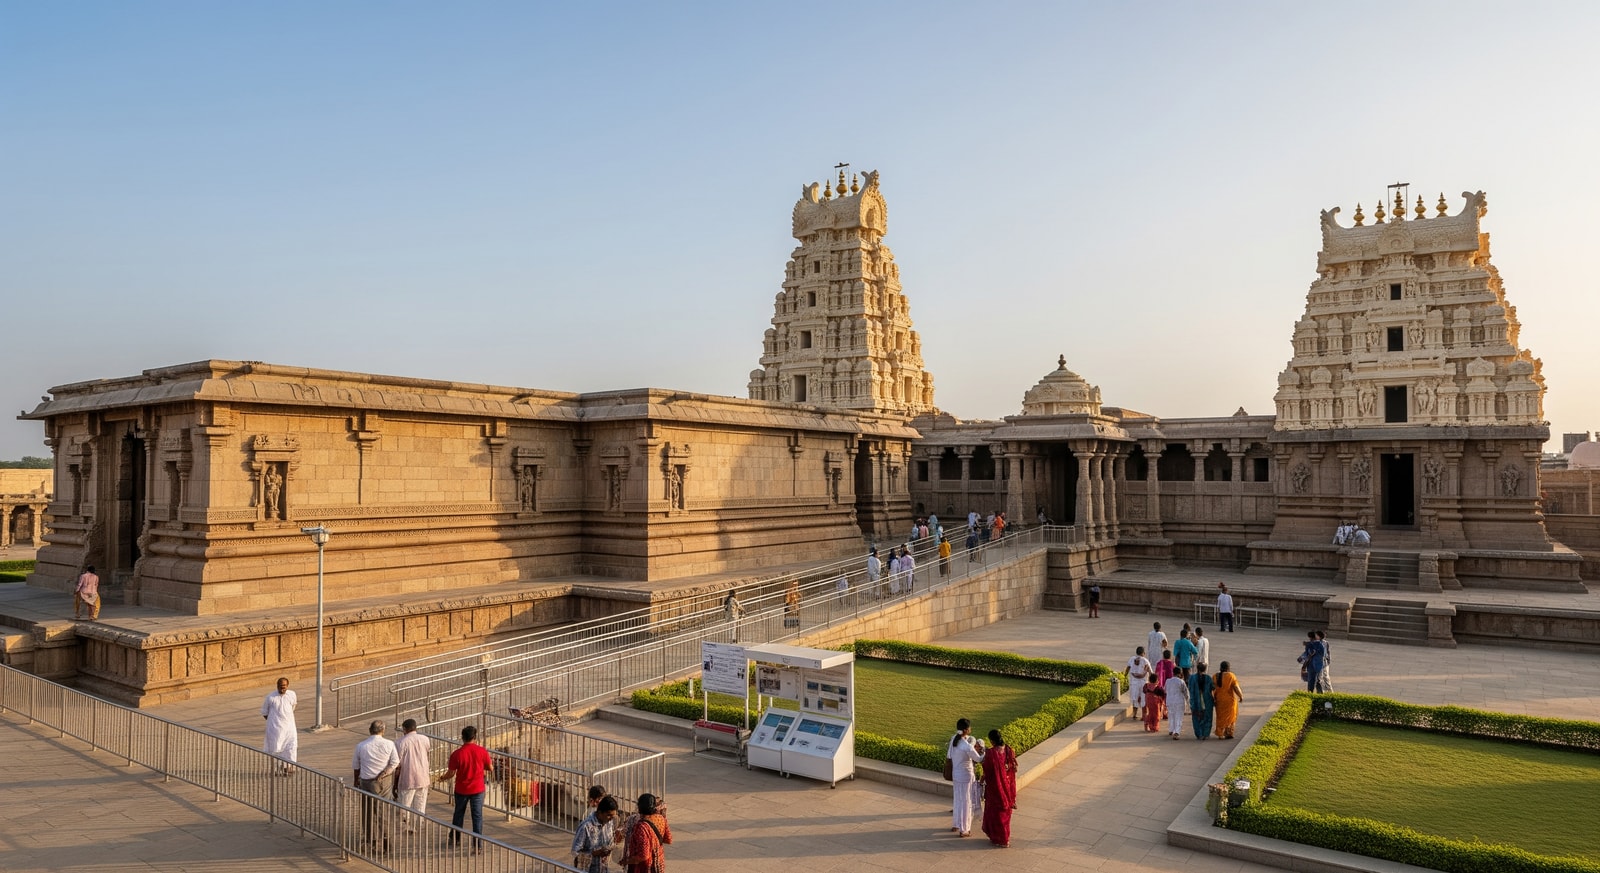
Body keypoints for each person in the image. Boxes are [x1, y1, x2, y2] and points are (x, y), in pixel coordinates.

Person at [438, 724, 495, 853]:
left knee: (458, 814)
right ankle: (477, 845)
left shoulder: (457, 754)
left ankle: (456, 838)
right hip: (478, 789)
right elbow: (490, 768)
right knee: (477, 816)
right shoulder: (482, 751)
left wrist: (442, 778)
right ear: (475, 737)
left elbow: (451, 773)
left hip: (461, 789)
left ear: (462, 738)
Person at [352, 719, 401, 852]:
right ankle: (387, 843)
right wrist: (385, 773)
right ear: (383, 731)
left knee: (368, 812)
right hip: (383, 782)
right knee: (383, 812)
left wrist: (356, 781)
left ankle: (371, 841)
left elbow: (356, 766)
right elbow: (395, 762)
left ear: (370, 731)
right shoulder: (389, 744)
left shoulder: (361, 746)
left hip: (366, 782)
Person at [946, 718, 985, 837]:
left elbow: (949, 755)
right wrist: (985, 752)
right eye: (969, 727)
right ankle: (964, 829)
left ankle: (956, 824)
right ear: (966, 730)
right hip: (966, 776)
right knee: (967, 801)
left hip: (956, 774)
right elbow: (979, 759)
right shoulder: (966, 746)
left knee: (958, 799)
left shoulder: (954, 740)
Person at [979, 729, 1018, 848]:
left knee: (995, 813)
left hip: (995, 787)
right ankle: (1005, 838)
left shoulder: (991, 753)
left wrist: (983, 779)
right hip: (1008, 785)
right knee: (1005, 813)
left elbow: (988, 770)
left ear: (992, 741)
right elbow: (1013, 767)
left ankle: (1000, 839)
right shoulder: (1009, 750)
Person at [394, 718, 432, 832]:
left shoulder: (400, 742)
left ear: (404, 729)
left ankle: (406, 826)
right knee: (420, 803)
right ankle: (418, 825)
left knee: (405, 803)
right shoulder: (425, 739)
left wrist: (395, 782)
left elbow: (398, 763)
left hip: (408, 777)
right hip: (423, 776)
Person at [623, 793, 671, 873]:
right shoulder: (661, 818)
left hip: (646, 868)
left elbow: (643, 856)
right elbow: (668, 839)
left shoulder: (641, 827)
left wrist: (626, 861)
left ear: (639, 807)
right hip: (659, 864)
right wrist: (654, 842)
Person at [260, 676, 298, 775]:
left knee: (291, 747)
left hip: (289, 727)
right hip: (275, 729)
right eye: (280, 686)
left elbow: (293, 706)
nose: (282, 688)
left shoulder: (292, 694)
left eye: (284, 686)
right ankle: (277, 768)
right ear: (277, 686)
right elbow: (264, 712)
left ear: (287, 686)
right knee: (276, 748)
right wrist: (273, 721)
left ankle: (289, 767)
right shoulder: (270, 697)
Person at [572, 794, 620, 873]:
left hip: (603, 869)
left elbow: (610, 842)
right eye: (609, 815)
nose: (611, 819)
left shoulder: (609, 823)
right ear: (600, 812)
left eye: (613, 816)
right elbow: (575, 852)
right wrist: (594, 854)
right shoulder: (586, 827)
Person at [1213, 661, 1244, 739]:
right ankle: (1228, 732)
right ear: (1228, 668)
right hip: (1230, 701)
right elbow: (1236, 687)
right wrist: (1240, 696)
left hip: (1219, 700)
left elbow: (1212, 689)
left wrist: (1213, 698)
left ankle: (1220, 733)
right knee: (1230, 717)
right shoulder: (1231, 675)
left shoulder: (1215, 676)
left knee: (1220, 717)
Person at [1187, 666, 1215, 740]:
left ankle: (1199, 734)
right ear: (1205, 669)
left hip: (1195, 701)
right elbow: (1212, 688)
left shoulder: (1192, 678)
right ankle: (1206, 734)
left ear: (1197, 669)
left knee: (1196, 718)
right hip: (1207, 701)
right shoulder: (1208, 678)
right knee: (1208, 717)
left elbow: (1189, 688)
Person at [1125, 646, 1153, 718]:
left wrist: (1124, 676)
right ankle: (1144, 715)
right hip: (1143, 683)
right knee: (1143, 698)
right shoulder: (1145, 660)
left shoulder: (1132, 659)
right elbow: (1150, 672)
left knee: (1135, 698)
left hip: (1134, 683)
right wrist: (1152, 682)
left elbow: (1128, 668)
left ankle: (1134, 714)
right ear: (1143, 653)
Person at [1164, 667, 1191, 740]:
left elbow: (1165, 690)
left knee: (1171, 716)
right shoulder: (1181, 682)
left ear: (1173, 672)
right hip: (1179, 701)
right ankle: (1176, 732)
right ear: (1180, 673)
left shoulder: (1167, 681)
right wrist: (1188, 702)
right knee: (1178, 717)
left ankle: (1171, 729)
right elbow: (1186, 692)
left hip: (1170, 701)